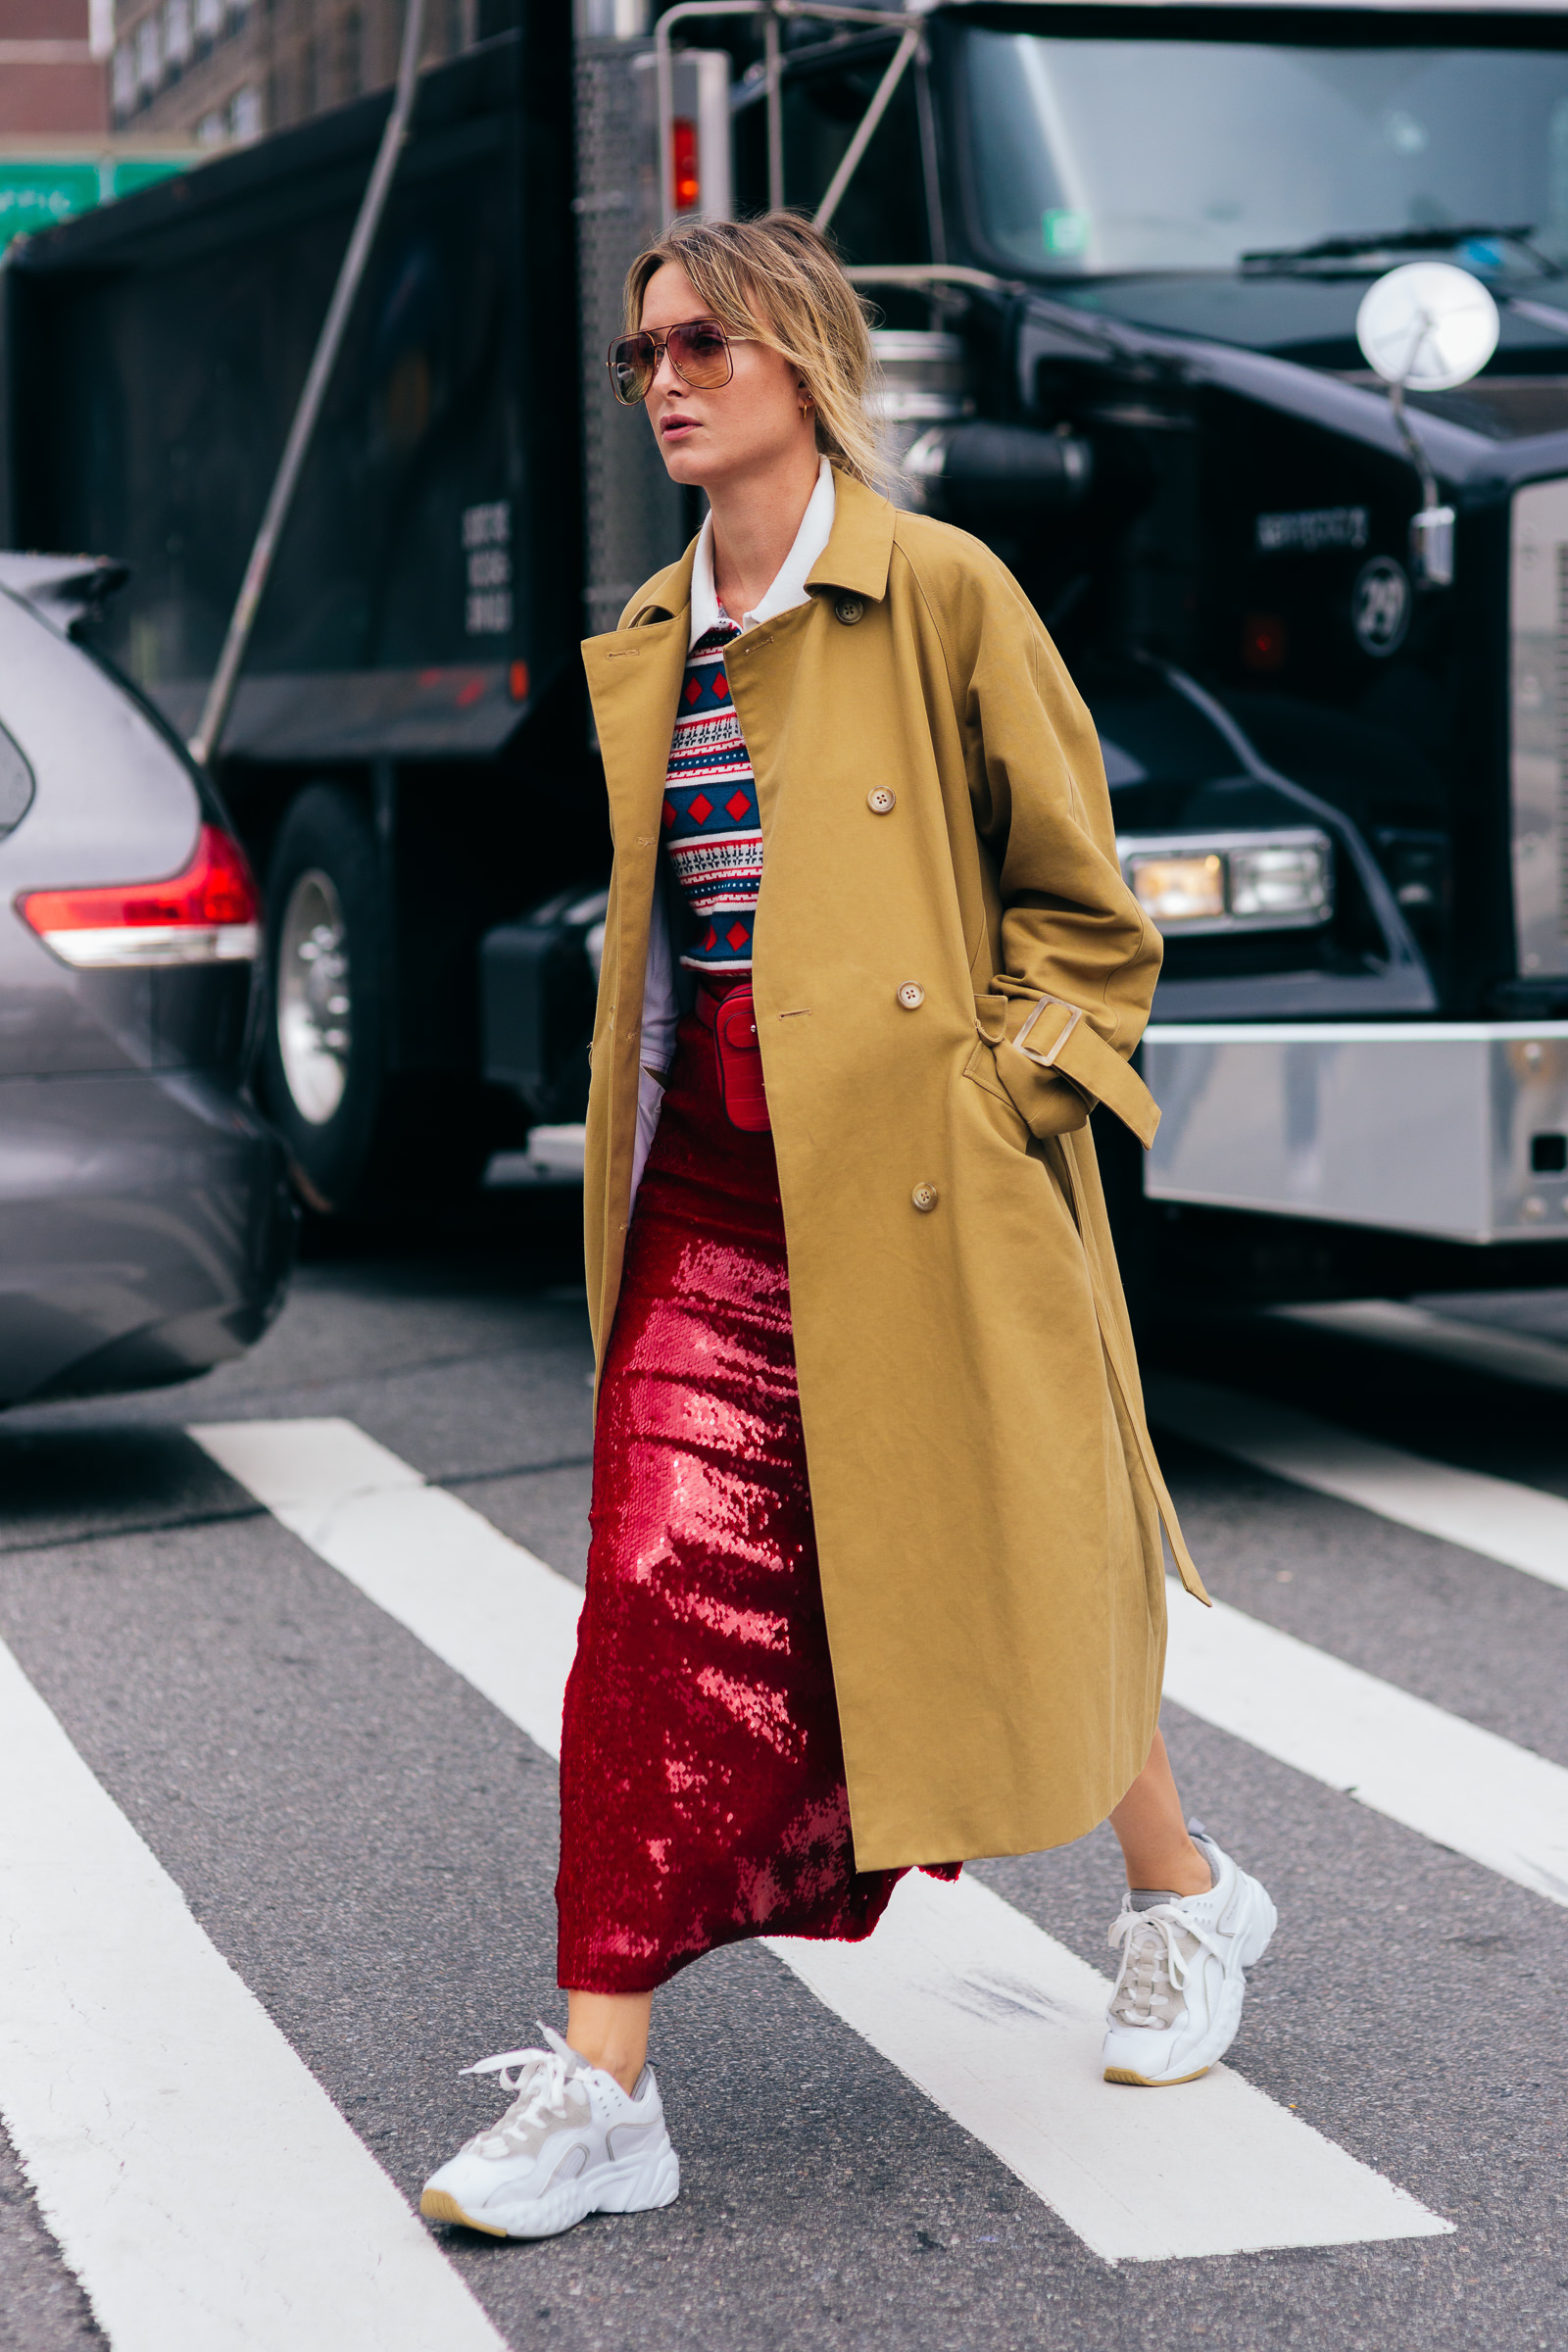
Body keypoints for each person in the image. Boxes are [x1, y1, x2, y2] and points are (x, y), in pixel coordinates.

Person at [420, 214, 1275, 2243]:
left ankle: (1182, 1895)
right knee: (646, 1595)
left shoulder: (940, 592)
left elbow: (1088, 914)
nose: (665, 379)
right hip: (709, 1184)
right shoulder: (652, 628)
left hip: (914, 1174)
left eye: (704, 341)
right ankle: (601, 2087)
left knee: (1000, 1564)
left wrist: (999, 1095)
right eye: (644, 355)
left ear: (803, 356)